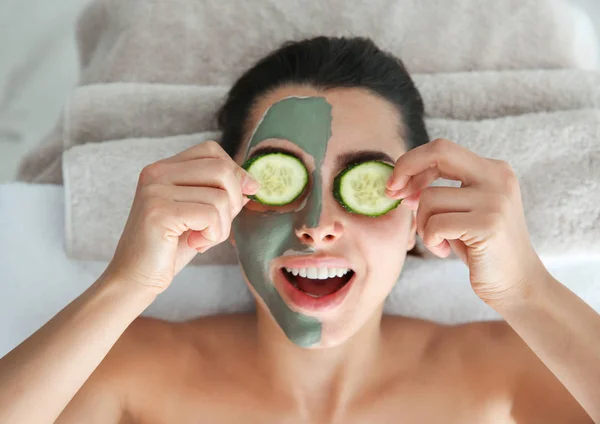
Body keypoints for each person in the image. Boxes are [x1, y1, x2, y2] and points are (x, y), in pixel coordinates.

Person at [0, 36, 598, 424]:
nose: (316, 226)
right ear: (228, 206)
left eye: (362, 185)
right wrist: (127, 282)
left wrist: (527, 291)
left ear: (417, 211)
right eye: (282, 180)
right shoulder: (131, 370)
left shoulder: (499, 378)